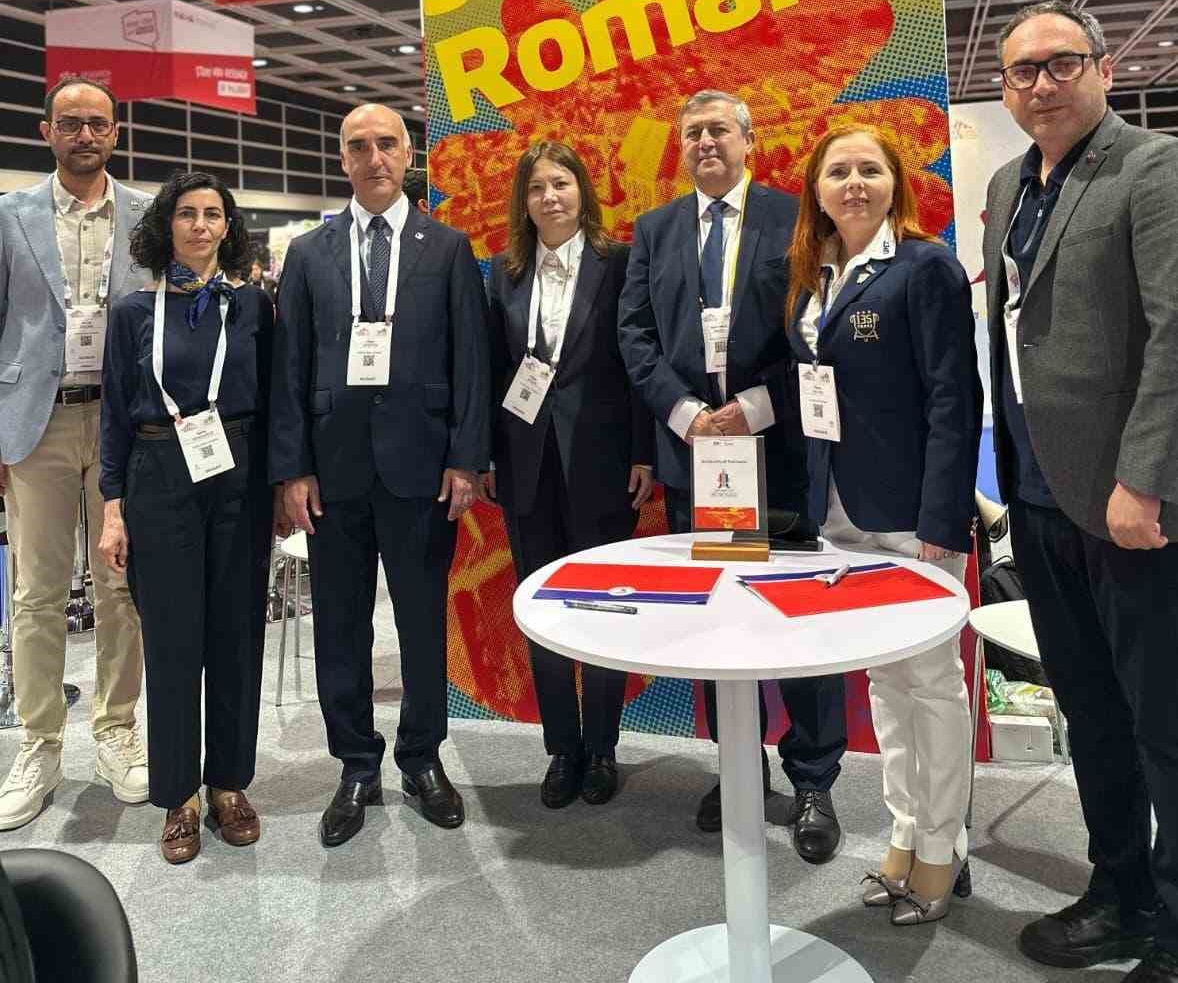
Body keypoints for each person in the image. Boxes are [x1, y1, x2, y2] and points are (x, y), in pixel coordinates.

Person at [983, 1, 1178, 983]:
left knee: (1170, 726)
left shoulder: (1156, 168)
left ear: (1104, 70)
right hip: (1039, 499)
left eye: (1061, 63)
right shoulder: (1007, 184)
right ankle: (1122, 894)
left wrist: (1141, 482)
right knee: (1094, 715)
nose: (1041, 84)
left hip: (1132, 509)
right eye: (1022, 71)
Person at [618, 89, 846, 857]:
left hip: (780, 455)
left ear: (750, 139)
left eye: (719, 129)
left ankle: (813, 779)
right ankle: (738, 768)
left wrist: (755, 407)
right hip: (697, 462)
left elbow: (818, 333)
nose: (705, 142)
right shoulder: (655, 231)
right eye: (693, 133)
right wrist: (685, 414)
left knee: (797, 619)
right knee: (717, 618)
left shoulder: (795, 218)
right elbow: (635, 334)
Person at [270, 103, 490, 847]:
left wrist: (466, 457)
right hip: (332, 473)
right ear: (342, 160)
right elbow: (289, 368)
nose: (374, 158)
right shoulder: (309, 253)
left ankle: (422, 757)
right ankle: (356, 765)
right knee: (339, 625)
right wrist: (292, 468)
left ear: (408, 154)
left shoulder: (447, 247)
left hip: (422, 466)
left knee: (422, 622)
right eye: (358, 146)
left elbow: (471, 360)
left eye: (387, 144)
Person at [785, 126, 980, 924]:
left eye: (871, 169)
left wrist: (942, 520)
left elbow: (954, 400)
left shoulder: (924, 267)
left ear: (897, 182)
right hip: (840, 517)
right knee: (886, 685)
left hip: (910, 520)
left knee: (932, 685)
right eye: (839, 171)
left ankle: (942, 846)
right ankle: (904, 832)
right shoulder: (816, 274)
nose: (855, 183)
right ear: (817, 189)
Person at [96, 172, 276, 864]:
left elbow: (274, 399)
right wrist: (113, 507)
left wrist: (279, 487)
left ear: (228, 228)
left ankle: (229, 784)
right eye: (187, 214)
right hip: (158, 473)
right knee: (172, 643)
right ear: (165, 225)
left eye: (213, 215)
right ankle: (180, 796)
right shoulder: (133, 313)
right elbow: (116, 414)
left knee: (236, 635)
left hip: (237, 473)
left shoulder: (251, 306)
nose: (201, 226)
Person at [483, 141, 654, 808]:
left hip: (604, 461)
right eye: (536, 188)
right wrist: (488, 455)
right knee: (543, 607)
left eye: (561, 183)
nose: (549, 197)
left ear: (583, 191)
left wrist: (643, 451)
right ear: (523, 202)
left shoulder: (619, 263)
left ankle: (603, 746)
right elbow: (492, 369)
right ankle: (563, 748)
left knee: (604, 605)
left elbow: (638, 362)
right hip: (525, 464)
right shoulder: (503, 273)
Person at [0, 78, 149, 830]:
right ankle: (40, 743)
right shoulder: (9, 216)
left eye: (97, 124)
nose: (85, 135)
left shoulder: (148, 216)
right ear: (46, 131)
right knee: (37, 594)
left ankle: (117, 730)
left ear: (115, 133)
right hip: (37, 424)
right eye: (70, 123)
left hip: (123, 425)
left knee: (122, 585)